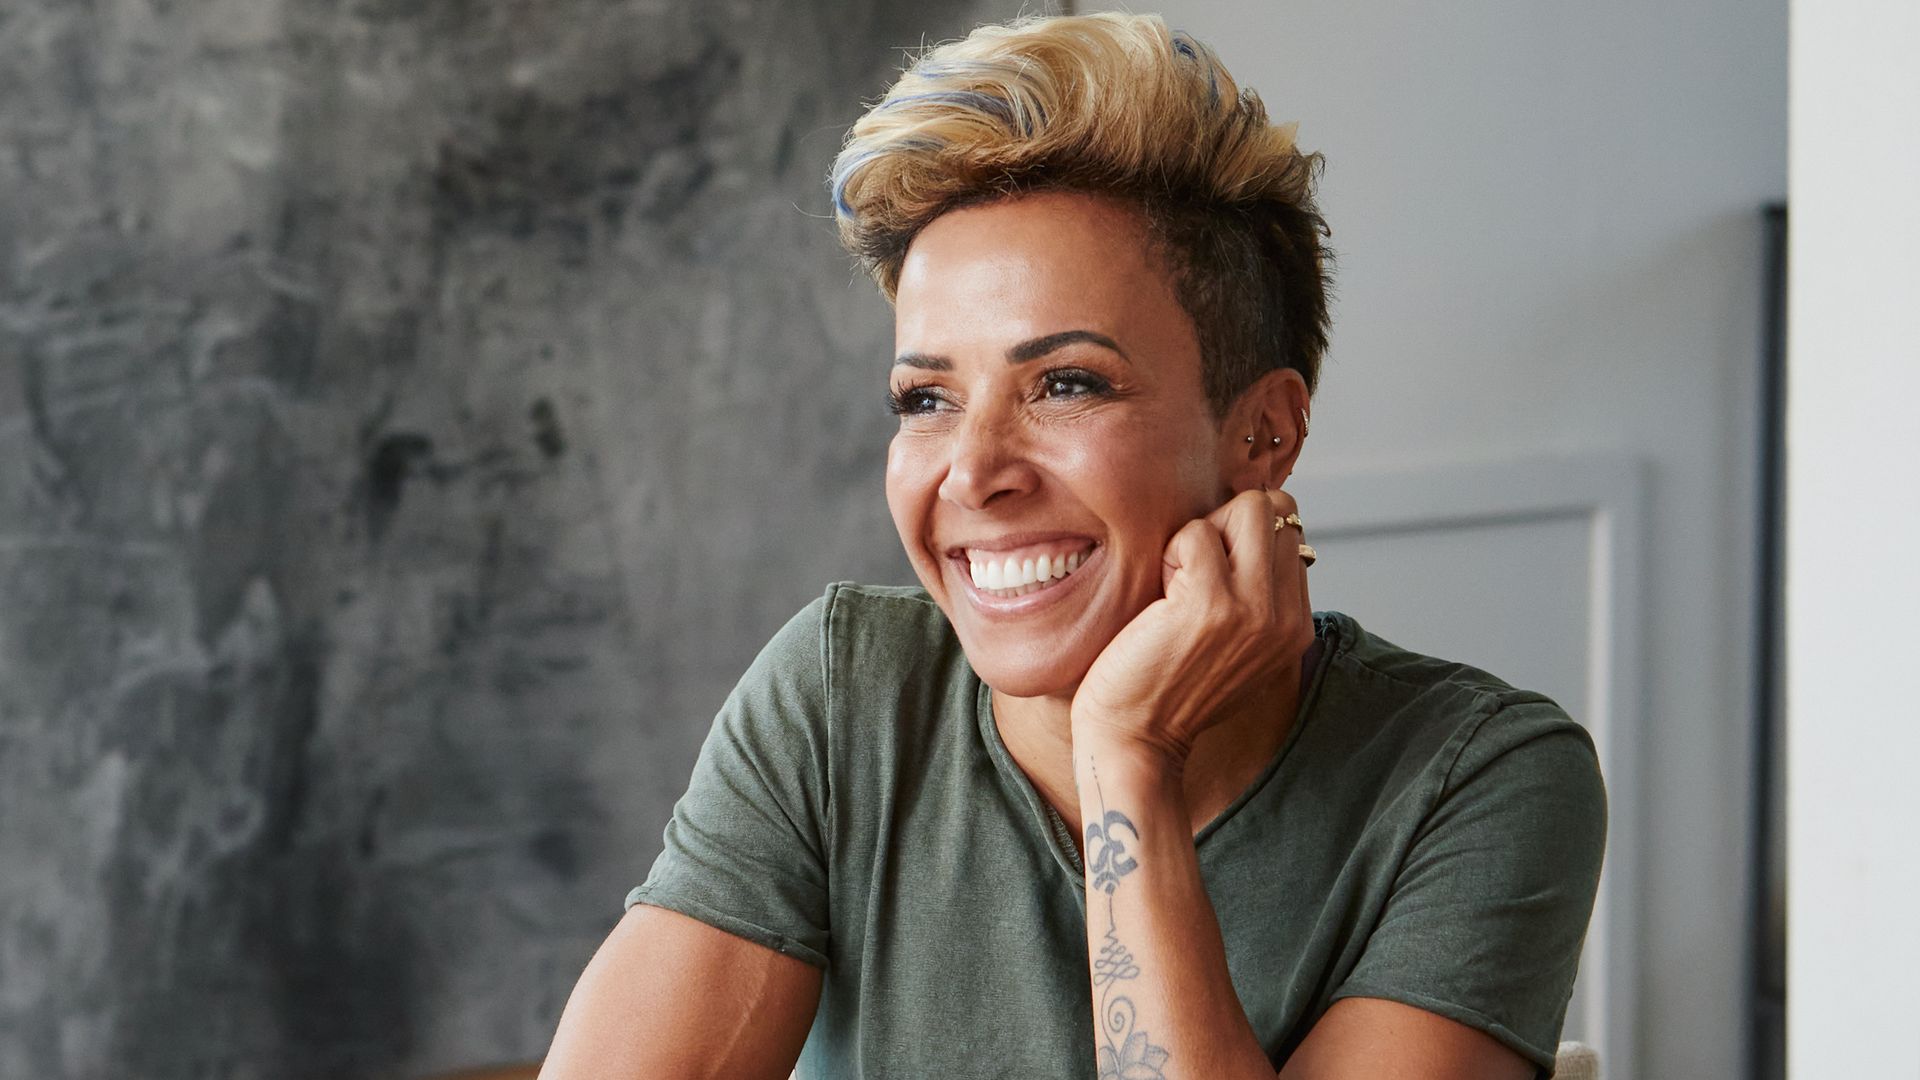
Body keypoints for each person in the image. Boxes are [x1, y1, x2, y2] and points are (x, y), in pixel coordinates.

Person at [540, 12, 1605, 1080]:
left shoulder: (1477, 781)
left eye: (1066, 383)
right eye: (926, 398)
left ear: (1262, 433)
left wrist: (1129, 760)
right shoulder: (841, 701)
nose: (971, 472)